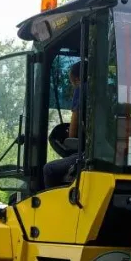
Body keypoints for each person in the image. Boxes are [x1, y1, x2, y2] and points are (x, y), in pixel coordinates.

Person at [43, 60, 84, 189]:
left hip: (88, 156)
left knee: (49, 170)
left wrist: (70, 135)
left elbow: (72, 132)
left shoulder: (81, 89)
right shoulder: (108, 92)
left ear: (77, 79)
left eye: (72, 83)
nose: (73, 87)